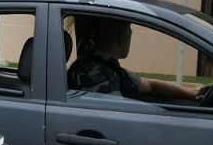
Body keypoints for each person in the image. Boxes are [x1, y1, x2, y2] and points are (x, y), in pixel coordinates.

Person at [68, 16, 202, 101]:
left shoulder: (107, 68)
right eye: (129, 29)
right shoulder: (93, 73)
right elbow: (120, 115)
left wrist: (193, 95)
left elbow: (151, 86)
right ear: (121, 38)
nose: (131, 34)